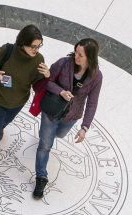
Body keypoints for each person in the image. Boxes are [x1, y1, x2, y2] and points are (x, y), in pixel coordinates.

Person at [0, 25, 51, 186]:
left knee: (2, 124)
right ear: (22, 43)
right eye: (33, 46)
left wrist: (47, 76)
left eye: (39, 46)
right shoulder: (7, 50)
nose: (36, 49)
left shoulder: (38, 61)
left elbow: (37, 87)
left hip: (17, 102)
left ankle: (1, 127)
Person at [33, 38, 103, 199]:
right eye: (76, 52)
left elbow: (92, 103)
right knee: (45, 145)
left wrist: (85, 127)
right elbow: (47, 82)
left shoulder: (96, 77)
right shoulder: (63, 63)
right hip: (51, 111)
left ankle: (46, 135)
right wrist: (60, 92)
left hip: (71, 117)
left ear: (90, 57)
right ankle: (41, 177)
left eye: (81, 55)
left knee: (60, 134)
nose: (76, 57)